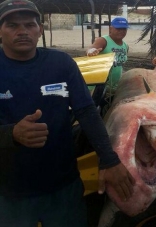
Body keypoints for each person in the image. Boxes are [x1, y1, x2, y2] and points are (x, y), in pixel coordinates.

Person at [0, 1, 135, 226]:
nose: (22, 31)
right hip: (10, 191)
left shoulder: (60, 63)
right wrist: (11, 133)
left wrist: (109, 160)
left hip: (64, 187)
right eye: (12, 25)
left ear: (40, 29)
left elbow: (86, 111)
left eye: (29, 25)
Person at [86, 17, 129, 111]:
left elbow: (120, 66)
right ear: (111, 28)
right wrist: (92, 51)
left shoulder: (125, 46)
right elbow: (91, 48)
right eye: (118, 28)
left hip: (113, 88)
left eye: (124, 29)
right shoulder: (103, 40)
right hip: (97, 88)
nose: (121, 31)